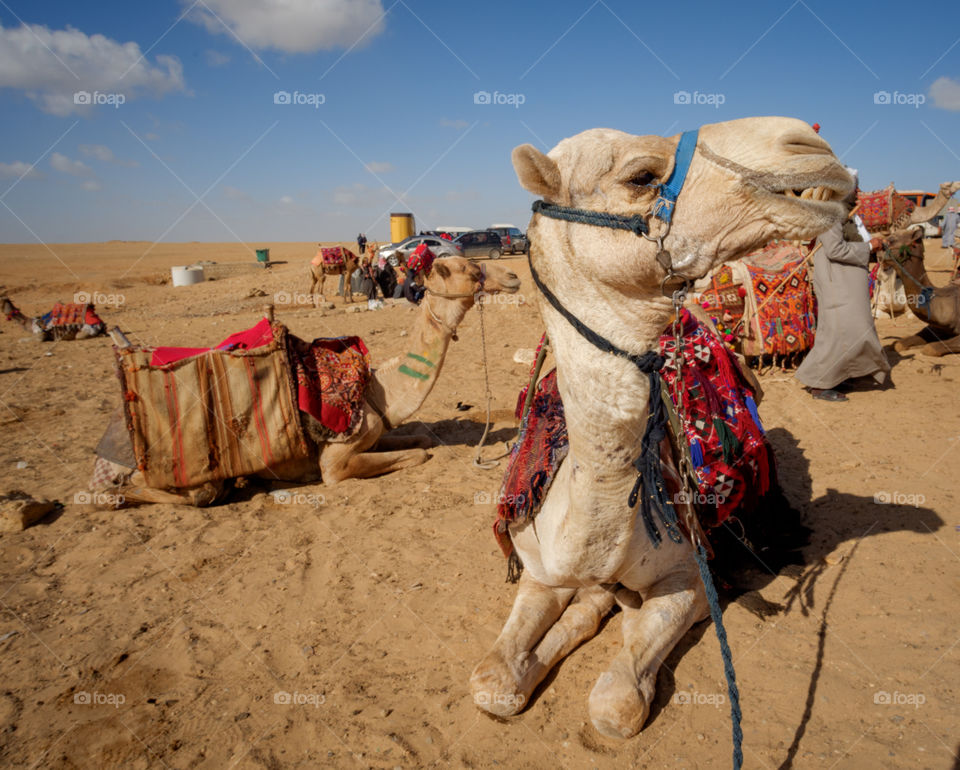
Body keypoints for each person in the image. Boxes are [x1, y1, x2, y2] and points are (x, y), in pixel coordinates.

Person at [795, 170, 891, 401]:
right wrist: (869, 248)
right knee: (840, 332)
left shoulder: (846, 215)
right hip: (837, 283)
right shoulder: (830, 215)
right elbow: (835, 249)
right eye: (854, 187)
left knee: (852, 330)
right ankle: (820, 384)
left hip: (847, 283)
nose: (858, 192)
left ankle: (839, 375)